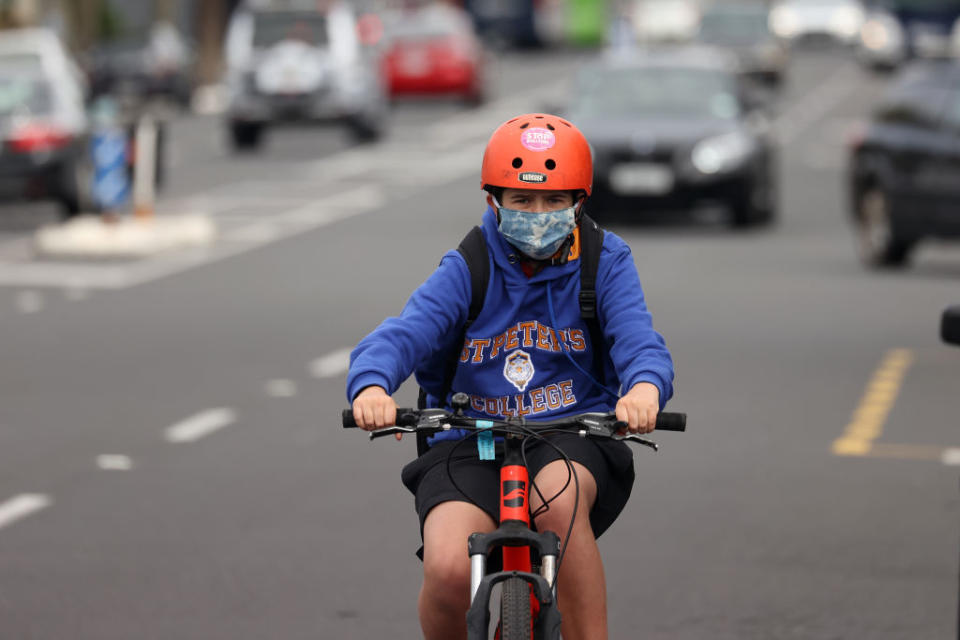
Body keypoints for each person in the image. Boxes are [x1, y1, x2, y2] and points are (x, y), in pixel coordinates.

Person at [347, 113, 674, 640]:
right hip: (467, 435)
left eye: (553, 201)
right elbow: (404, 334)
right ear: (493, 202)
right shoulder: (469, 265)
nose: (538, 214)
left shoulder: (604, 260)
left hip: (571, 432)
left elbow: (639, 342)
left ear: (579, 202)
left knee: (558, 503)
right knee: (450, 568)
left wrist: (642, 390)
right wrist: (371, 385)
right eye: (521, 201)